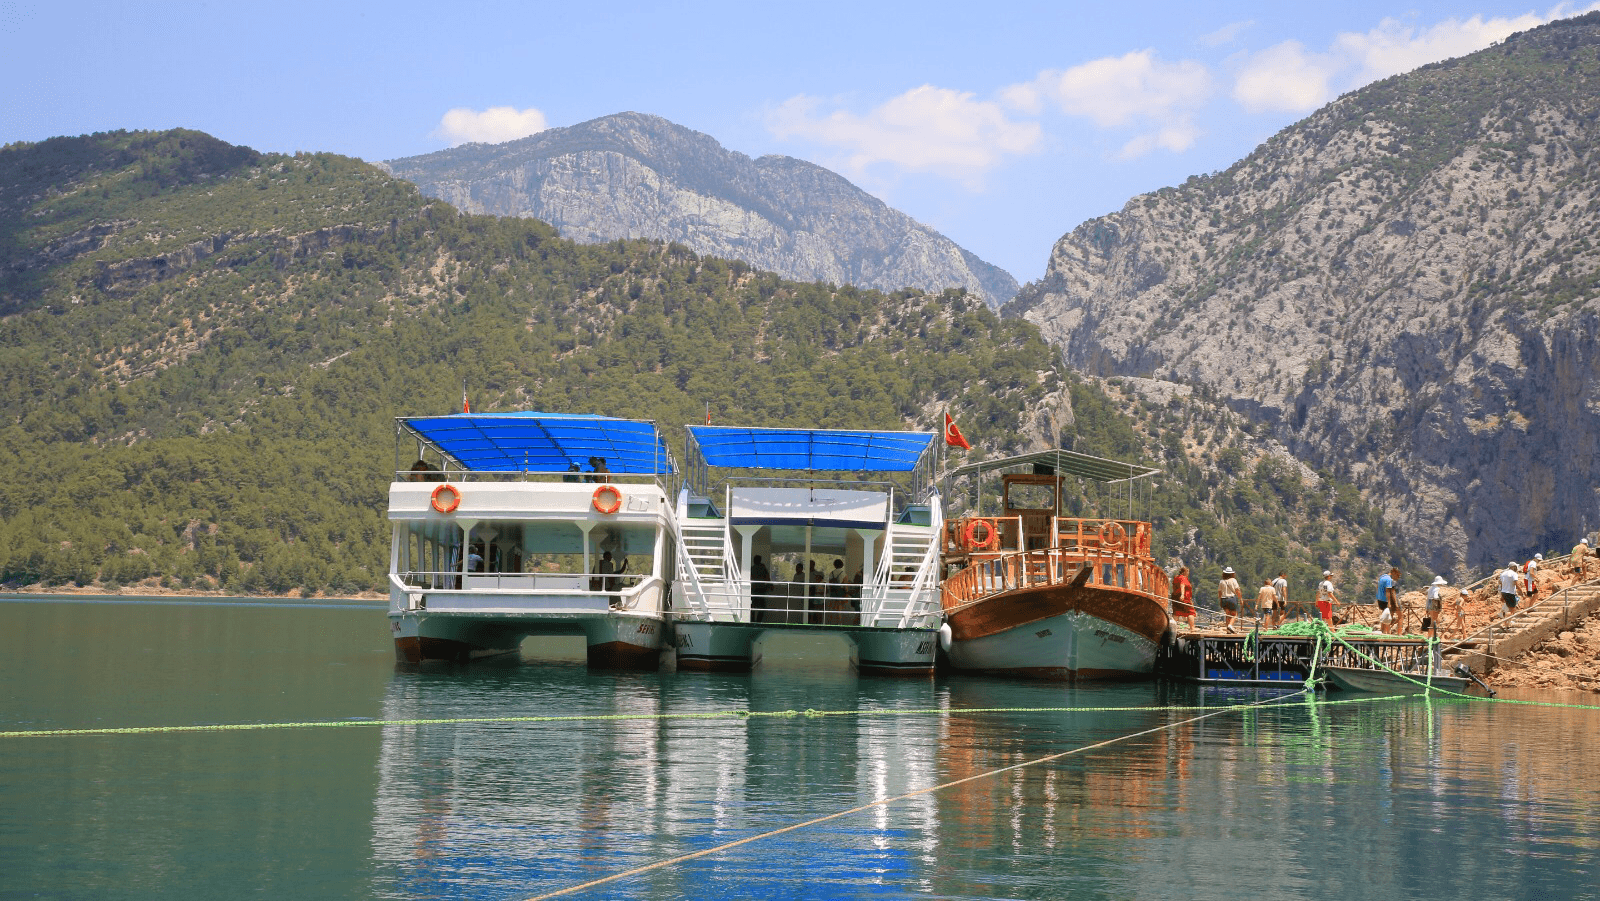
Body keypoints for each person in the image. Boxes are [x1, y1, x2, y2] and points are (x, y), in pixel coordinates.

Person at [1170, 566, 1196, 631]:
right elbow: (1182, 585)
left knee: (1176, 612)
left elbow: (1174, 587)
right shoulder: (1183, 578)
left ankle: (1171, 628)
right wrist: (1182, 595)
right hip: (1185, 599)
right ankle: (1192, 628)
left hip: (1175, 598)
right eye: (1188, 572)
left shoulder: (1176, 578)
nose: (1188, 574)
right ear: (1185, 572)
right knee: (1191, 612)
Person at [1218, 566, 1243, 633]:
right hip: (1231, 598)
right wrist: (1240, 599)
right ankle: (1230, 625)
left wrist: (1220, 600)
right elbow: (1237, 590)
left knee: (1228, 614)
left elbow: (1219, 592)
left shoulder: (1221, 581)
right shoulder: (1233, 580)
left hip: (1223, 599)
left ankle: (1228, 630)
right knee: (1234, 614)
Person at [1377, 566, 1399, 634]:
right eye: (1397, 575)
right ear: (1393, 572)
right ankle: (1386, 632)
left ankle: (1383, 631)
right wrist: (1389, 602)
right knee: (1388, 616)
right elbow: (1388, 591)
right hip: (1385, 600)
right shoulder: (1389, 580)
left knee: (1384, 615)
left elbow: (1377, 587)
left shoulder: (1382, 577)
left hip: (1379, 599)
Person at [751, 555, 772, 622]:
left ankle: (752, 621)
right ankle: (758, 621)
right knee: (762, 607)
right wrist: (770, 585)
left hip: (754, 590)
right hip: (760, 589)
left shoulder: (752, 568)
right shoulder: (762, 568)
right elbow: (767, 577)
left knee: (753, 607)